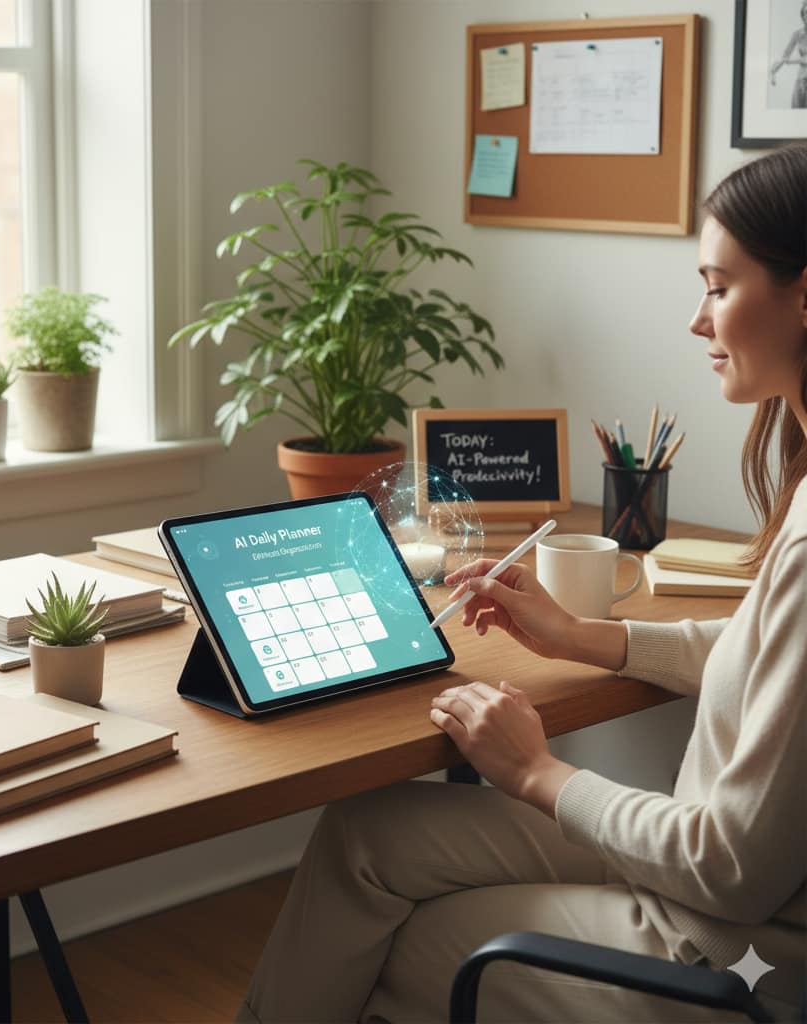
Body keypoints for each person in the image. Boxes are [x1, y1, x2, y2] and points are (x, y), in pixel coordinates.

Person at [237, 143, 807, 1023]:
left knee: (398, 937)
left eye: (719, 287)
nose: (698, 321)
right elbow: (765, 657)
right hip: (707, 883)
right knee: (364, 835)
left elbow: (730, 867)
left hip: (726, 944)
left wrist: (537, 771)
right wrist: (582, 636)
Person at [770, 2, 807, 109]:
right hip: (801, 81)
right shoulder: (797, 34)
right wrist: (774, 70)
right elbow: (785, 55)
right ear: (803, 15)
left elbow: (805, 59)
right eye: (806, 12)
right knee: (795, 112)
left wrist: (788, 61)